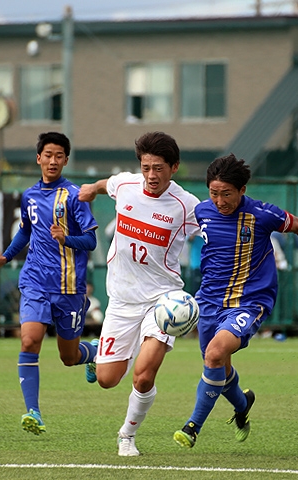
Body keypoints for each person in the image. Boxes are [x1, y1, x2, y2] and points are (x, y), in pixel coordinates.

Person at [173, 153, 298, 449]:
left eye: (226, 194)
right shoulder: (202, 212)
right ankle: (242, 405)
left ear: (242, 191)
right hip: (210, 301)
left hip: (250, 302)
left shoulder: (262, 214)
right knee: (218, 366)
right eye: (214, 193)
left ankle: (192, 426)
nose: (219, 201)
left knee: (214, 355)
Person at [79, 131, 200, 456]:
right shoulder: (127, 184)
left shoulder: (186, 205)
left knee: (143, 376)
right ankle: (96, 355)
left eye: (158, 168)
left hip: (163, 302)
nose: (151, 176)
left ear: (174, 168)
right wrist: (91, 188)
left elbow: (214, 225)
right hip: (121, 299)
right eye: (146, 167)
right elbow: (108, 184)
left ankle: (126, 436)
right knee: (107, 379)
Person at [0, 131, 99, 436]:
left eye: (59, 156)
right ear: (38, 158)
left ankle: (95, 353)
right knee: (29, 341)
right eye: (47, 155)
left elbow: (91, 240)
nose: (52, 160)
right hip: (35, 281)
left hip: (69, 287)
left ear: (65, 160)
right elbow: (25, 230)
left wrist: (66, 238)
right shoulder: (30, 195)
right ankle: (33, 411)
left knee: (68, 357)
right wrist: (6, 257)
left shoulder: (75, 196)